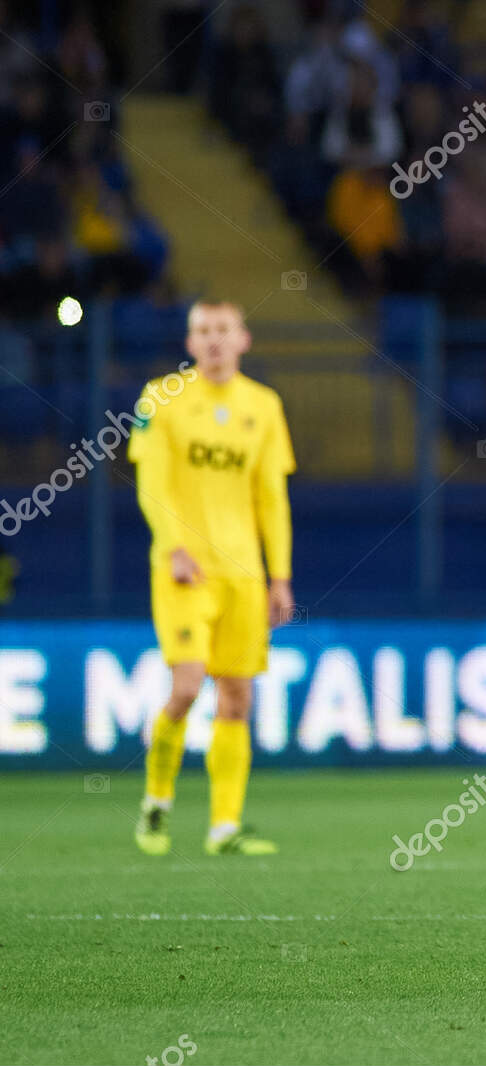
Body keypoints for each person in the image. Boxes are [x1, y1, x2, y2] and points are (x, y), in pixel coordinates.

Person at [130, 300, 297, 857]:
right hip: (183, 572)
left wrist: (280, 576)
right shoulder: (160, 397)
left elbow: (271, 498)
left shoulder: (264, 405)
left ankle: (224, 827)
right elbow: (151, 481)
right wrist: (173, 548)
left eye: (224, 330)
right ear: (190, 341)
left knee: (237, 697)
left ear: (244, 339)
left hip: (243, 575)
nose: (214, 340)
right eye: (203, 331)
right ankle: (157, 800)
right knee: (185, 687)